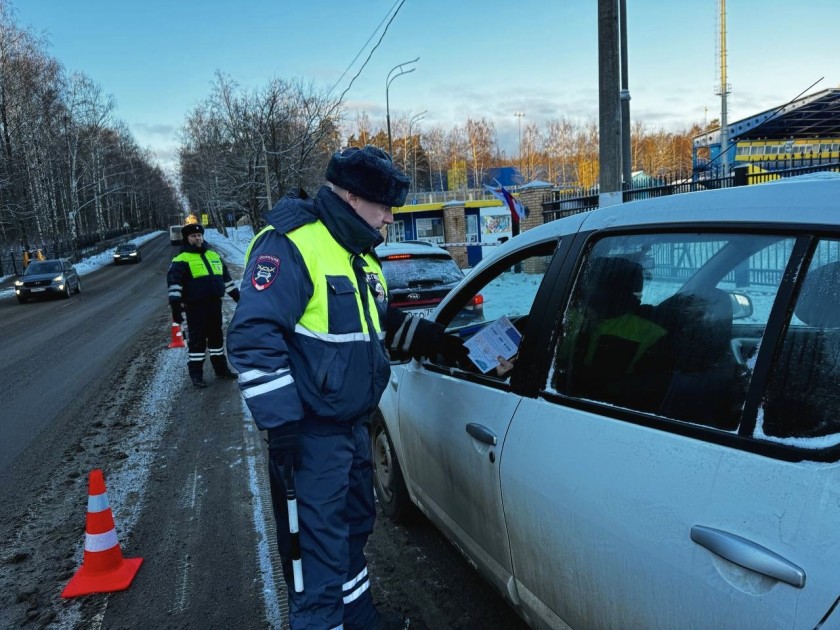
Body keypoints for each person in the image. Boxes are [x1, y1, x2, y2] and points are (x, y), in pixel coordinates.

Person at [226, 145, 468, 630]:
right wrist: (284, 425)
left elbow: (376, 324)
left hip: (352, 428)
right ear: (353, 197)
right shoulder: (292, 245)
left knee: (353, 530)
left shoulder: (359, 255)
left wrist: (433, 338)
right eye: (384, 206)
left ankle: (357, 617)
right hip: (311, 436)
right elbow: (253, 338)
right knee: (315, 550)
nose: (389, 217)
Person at [167, 222, 240, 388]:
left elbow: (227, 281)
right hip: (195, 307)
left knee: (216, 339)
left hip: (215, 304)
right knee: (197, 341)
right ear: (187, 238)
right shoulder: (181, 260)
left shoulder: (213, 256)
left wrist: (238, 298)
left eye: (199, 235)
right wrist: (176, 308)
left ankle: (221, 370)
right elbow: (174, 286)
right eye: (193, 236)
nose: (197, 238)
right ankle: (196, 375)